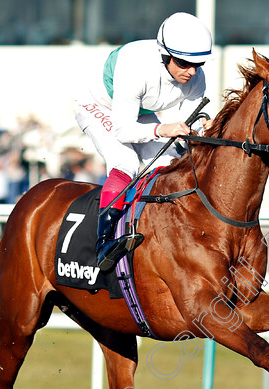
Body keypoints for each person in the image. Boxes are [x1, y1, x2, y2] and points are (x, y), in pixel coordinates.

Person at [74, 12, 214, 271]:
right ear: (165, 55)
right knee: (126, 161)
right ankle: (103, 243)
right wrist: (164, 129)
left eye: (199, 64)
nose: (192, 71)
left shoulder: (196, 76)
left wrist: (201, 129)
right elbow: (123, 131)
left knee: (171, 162)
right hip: (100, 107)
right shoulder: (136, 67)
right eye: (184, 63)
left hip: (140, 111)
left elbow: (188, 126)